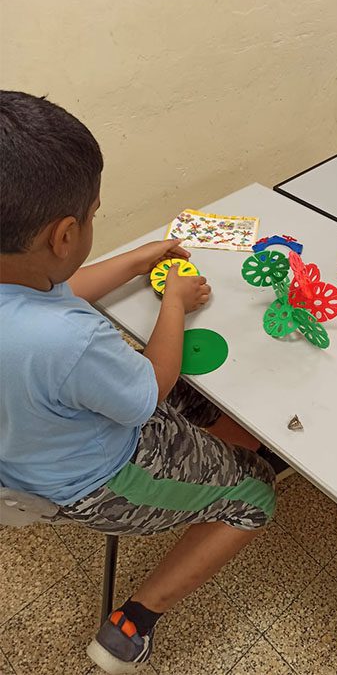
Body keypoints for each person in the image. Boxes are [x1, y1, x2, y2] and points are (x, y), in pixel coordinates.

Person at [0, 91, 277, 674]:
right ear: (65, 235)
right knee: (256, 490)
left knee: (196, 397)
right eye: (94, 214)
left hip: (31, 446)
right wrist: (173, 301)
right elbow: (151, 387)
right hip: (95, 479)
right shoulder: (68, 338)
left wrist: (136, 259)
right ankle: (132, 622)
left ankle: (221, 450)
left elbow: (58, 291)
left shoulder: (21, 286)